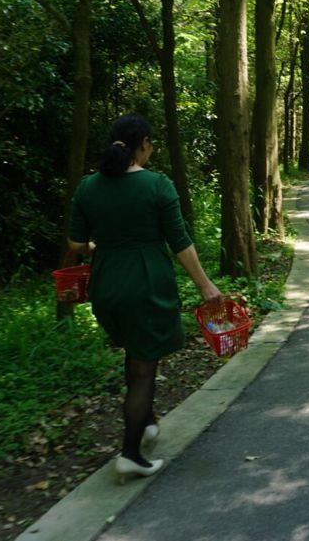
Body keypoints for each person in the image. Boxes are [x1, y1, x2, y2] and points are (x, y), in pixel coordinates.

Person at [68, 115, 221, 483]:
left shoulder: (88, 187)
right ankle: (131, 454)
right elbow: (180, 242)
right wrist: (205, 286)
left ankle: (148, 423)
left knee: (135, 356)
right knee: (143, 368)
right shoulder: (157, 185)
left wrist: (97, 246)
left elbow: (76, 244)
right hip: (146, 284)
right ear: (145, 144)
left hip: (106, 286)